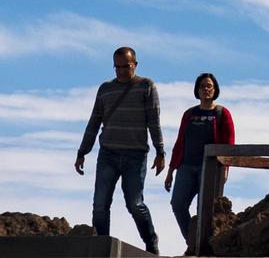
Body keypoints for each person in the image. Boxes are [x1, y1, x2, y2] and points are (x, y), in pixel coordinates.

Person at [74, 45, 164, 254]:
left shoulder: (146, 86)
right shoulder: (105, 89)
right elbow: (94, 121)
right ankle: (103, 248)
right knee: (100, 205)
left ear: (135, 64)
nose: (122, 71)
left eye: (126, 66)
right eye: (117, 67)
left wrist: (160, 152)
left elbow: (154, 121)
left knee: (135, 204)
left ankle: (151, 242)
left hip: (136, 154)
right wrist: (82, 152)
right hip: (109, 154)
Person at [164, 73, 235, 251]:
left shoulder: (221, 113)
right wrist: (171, 170)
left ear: (215, 89)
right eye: (202, 86)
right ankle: (193, 241)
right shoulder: (189, 114)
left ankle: (204, 246)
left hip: (210, 168)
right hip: (186, 166)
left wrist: (226, 167)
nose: (206, 89)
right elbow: (180, 142)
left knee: (204, 208)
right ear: (197, 90)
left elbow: (229, 143)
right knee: (178, 204)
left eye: (209, 86)